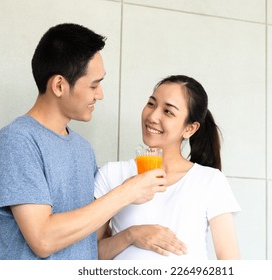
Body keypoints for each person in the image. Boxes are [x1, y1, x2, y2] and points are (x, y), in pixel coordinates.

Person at [0, 23, 183, 260]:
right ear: (59, 85)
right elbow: (43, 239)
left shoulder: (82, 148)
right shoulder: (18, 141)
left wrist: (130, 234)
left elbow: (92, 241)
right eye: (94, 84)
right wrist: (125, 193)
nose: (100, 94)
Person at [95, 75, 241, 260]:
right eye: (151, 104)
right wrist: (130, 235)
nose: (153, 116)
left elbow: (230, 263)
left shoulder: (210, 181)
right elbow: (91, 255)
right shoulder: (112, 174)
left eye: (168, 111)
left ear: (190, 129)